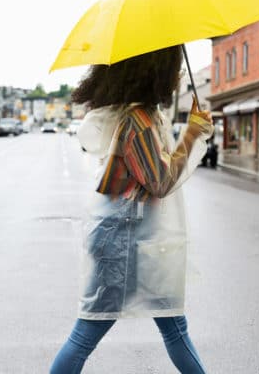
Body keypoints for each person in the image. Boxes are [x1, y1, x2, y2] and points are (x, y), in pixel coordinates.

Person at [49, 45, 213, 374]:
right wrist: (193, 133)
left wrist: (191, 132)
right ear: (153, 71)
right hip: (122, 242)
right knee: (87, 334)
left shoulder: (145, 115)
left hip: (133, 237)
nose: (178, 76)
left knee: (173, 328)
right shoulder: (137, 121)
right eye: (173, 68)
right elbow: (161, 180)